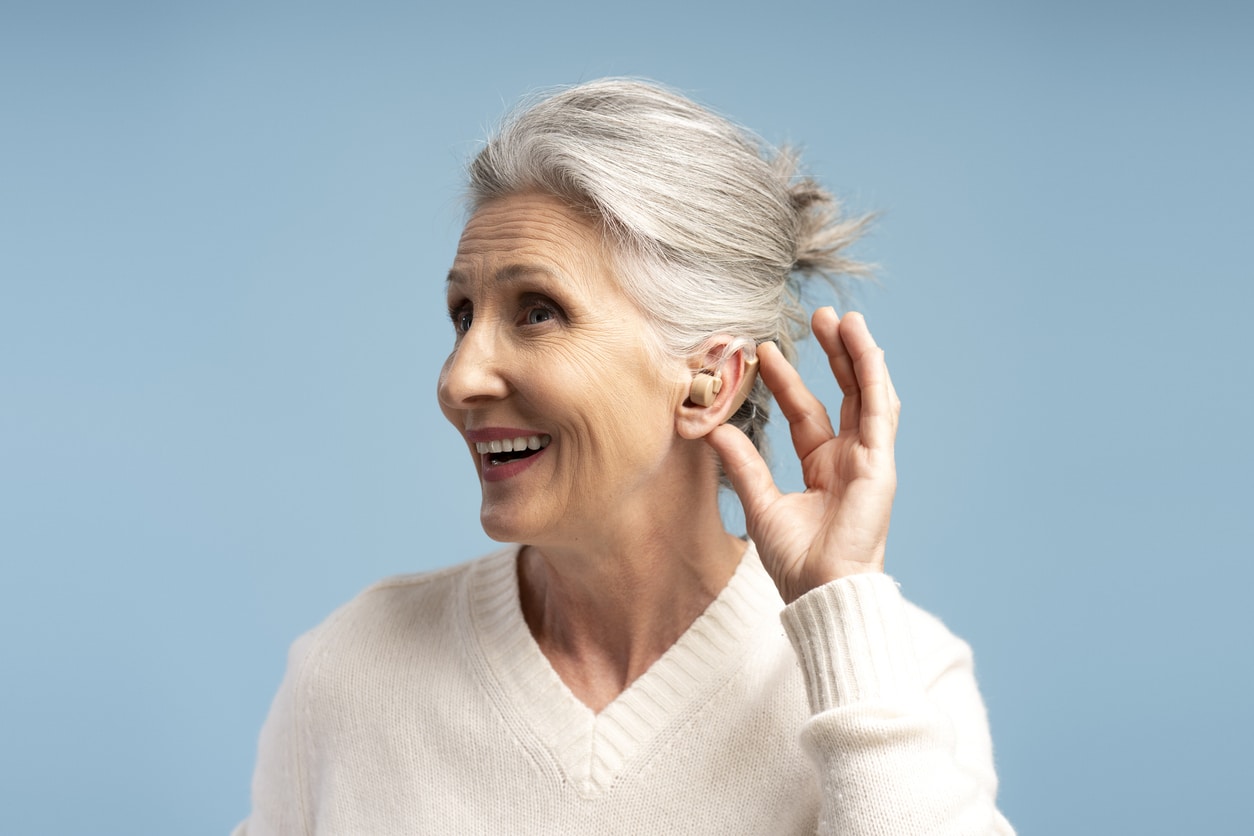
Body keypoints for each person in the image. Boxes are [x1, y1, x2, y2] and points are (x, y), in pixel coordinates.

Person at [235, 78, 1013, 834]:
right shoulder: (350, 671)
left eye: (537, 312)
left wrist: (841, 608)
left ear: (708, 384)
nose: (458, 379)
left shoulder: (895, 677)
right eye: (462, 314)